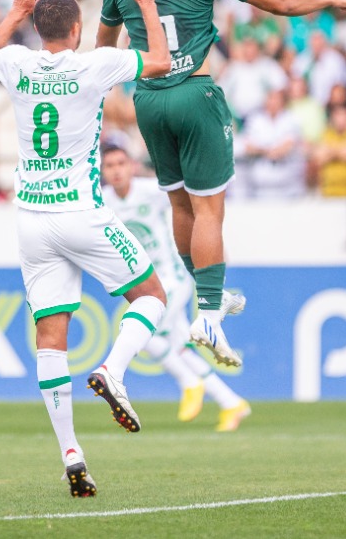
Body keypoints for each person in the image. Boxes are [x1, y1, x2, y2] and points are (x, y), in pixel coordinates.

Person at [97, 0, 346, 366]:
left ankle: (208, 297)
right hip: (195, 93)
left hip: (148, 99)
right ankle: (210, 316)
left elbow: (104, 46)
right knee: (209, 209)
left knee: (179, 202)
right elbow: (279, 3)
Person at [0, 0, 171, 497]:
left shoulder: (16, 62)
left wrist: (14, 9)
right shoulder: (94, 66)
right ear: (78, 30)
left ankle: (71, 451)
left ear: (37, 28)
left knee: (51, 338)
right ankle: (113, 369)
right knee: (152, 295)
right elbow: (158, 61)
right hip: (81, 212)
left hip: (32, 221)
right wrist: (147, 2)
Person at [101, 145, 251, 432]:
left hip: (174, 276)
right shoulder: (103, 201)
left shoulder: (150, 192)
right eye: (109, 165)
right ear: (103, 171)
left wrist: (215, 247)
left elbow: (191, 208)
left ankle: (189, 382)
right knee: (181, 345)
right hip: (150, 282)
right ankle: (231, 402)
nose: (116, 170)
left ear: (132, 165)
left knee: (146, 334)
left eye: (121, 163)